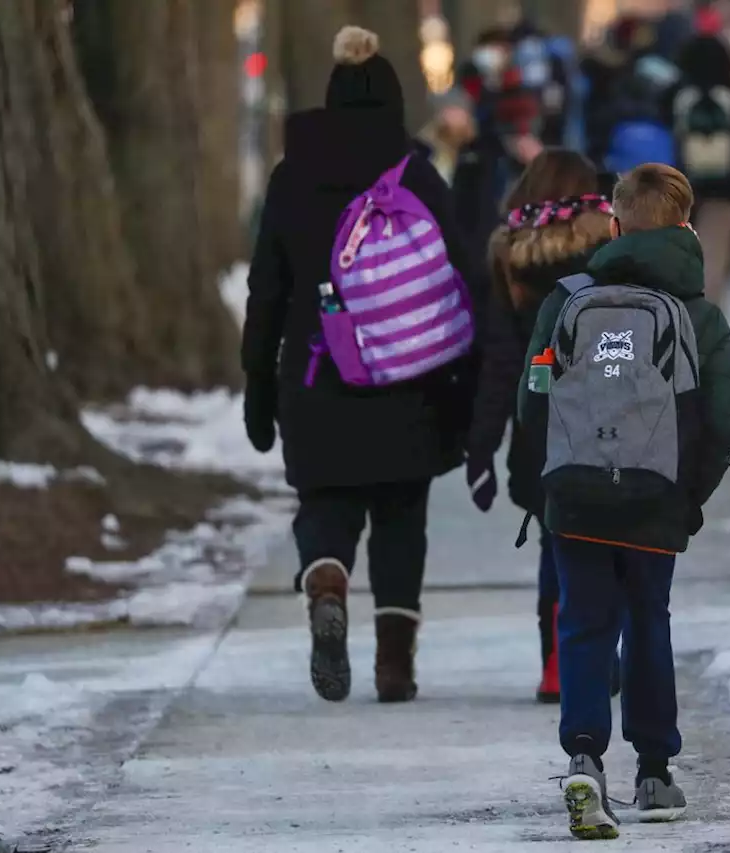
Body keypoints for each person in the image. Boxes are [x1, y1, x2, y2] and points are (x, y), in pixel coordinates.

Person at [242, 27, 482, 705]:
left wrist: (258, 390)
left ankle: (325, 579)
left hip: (318, 380)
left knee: (327, 502)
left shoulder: (291, 179)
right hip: (412, 383)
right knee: (402, 517)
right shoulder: (415, 175)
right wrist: (475, 380)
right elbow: (460, 274)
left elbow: (266, 293)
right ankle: (395, 666)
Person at [515, 164, 730, 837]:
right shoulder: (699, 315)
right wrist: (687, 496)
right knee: (648, 619)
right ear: (686, 227)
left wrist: (546, 484)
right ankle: (654, 770)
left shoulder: (565, 302)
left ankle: (584, 755)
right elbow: (721, 419)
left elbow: (533, 399)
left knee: (583, 621)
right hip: (655, 500)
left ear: (614, 226)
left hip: (577, 497)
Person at [464, 150, 614, 704]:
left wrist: (480, 449)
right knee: (610, 543)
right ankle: (603, 654)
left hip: (541, 427)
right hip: (611, 419)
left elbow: (501, 363)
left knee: (557, 547)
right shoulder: (612, 246)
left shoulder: (509, 258)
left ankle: (557, 664)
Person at [668, 27, 730, 308]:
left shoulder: (675, 94)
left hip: (682, 184)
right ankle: (708, 319)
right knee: (716, 256)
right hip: (727, 188)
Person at [413, 87, 502, 274]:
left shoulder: (480, 153)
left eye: (457, 110)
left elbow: (485, 204)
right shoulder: (422, 153)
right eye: (449, 110)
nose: (453, 116)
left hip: (473, 245)